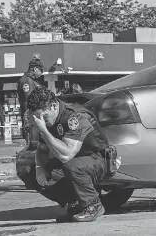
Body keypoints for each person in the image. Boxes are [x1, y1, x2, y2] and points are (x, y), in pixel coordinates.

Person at [26, 88, 109, 222]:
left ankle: (93, 204)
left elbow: (67, 155)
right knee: (27, 166)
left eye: (44, 116)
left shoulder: (75, 117)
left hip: (97, 160)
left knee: (72, 165)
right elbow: (41, 149)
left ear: (53, 106)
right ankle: (76, 203)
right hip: (74, 163)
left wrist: (43, 130)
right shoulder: (49, 120)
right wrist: (39, 168)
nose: (43, 121)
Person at [16, 58, 45, 146]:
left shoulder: (33, 81)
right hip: (32, 117)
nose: (41, 73)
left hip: (36, 116)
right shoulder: (27, 81)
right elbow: (29, 100)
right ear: (35, 69)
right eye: (41, 70)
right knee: (33, 143)